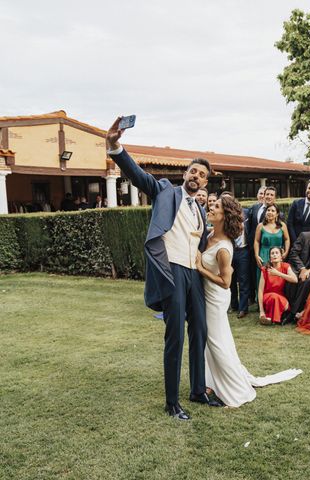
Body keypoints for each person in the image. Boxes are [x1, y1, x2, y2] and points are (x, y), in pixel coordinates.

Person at [105, 117, 212, 421]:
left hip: (193, 274)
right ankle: (171, 402)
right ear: (185, 173)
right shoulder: (165, 191)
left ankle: (197, 389)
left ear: (205, 183)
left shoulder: (200, 210)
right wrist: (115, 146)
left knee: (200, 329)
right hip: (172, 271)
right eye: (193, 170)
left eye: (202, 175)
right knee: (175, 335)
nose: (196, 176)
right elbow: (138, 175)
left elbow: (202, 243)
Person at [196, 196, 302, 407]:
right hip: (206, 296)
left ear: (224, 216)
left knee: (217, 343)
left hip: (216, 298)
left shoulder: (224, 248)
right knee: (213, 342)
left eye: (216, 206)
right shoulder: (209, 235)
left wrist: (200, 268)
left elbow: (226, 282)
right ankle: (210, 382)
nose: (211, 207)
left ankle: (236, 391)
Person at [258, 246, 297, 325]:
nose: (274, 255)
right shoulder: (265, 269)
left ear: (281, 256)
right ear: (270, 257)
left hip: (281, 297)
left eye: (276, 253)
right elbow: (260, 290)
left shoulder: (285, 266)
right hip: (268, 297)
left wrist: (278, 273)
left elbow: (295, 279)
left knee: (277, 298)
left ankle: (270, 318)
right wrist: (261, 311)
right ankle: (273, 318)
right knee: (273, 297)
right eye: (272, 253)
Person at [254, 204, 290, 288]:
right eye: (268, 210)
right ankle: (261, 298)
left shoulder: (282, 225)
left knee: (277, 277)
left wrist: (286, 251)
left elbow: (287, 239)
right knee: (263, 277)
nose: (270, 212)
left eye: (273, 211)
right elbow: (256, 241)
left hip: (278, 254)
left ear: (277, 214)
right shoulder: (260, 226)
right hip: (264, 254)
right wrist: (256, 255)